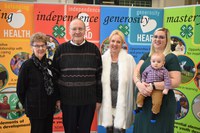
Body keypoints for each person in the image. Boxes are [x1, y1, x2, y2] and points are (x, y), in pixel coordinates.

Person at [52, 18, 102, 133]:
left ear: (85, 31)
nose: (77, 31)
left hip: (88, 102)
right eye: (74, 29)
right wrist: (57, 98)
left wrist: (98, 99)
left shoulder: (94, 50)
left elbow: (99, 76)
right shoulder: (61, 50)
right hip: (68, 101)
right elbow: (55, 76)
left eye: (80, 28)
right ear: (69, 31)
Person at [133, 28, 181, 133]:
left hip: (162, 104)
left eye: (161, 37)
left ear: (167, 40)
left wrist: (153, 86)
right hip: (143, 104)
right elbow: (136, 72)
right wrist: (139, 84)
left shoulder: (171, 58)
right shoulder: (146, 56)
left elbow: (176, 81)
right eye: (155, 36)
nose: (157, 39)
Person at [17, 32, 58, 133]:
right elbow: (20, 90)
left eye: (43, 45)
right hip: (35, 109)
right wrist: (28, 105)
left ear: (46, 46)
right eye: (37, 46)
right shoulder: (27, 66)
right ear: (32, 47)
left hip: (49, 108)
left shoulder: (50, 64)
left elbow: (55, 85)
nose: (40, 48)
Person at [98, 30, 136, 133]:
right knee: (109, 131)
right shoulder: (102, 59)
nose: (115, 44)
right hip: (107, 105)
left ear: (122, 43)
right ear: (109, 42)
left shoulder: (129, 60)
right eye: (113, 41)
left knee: (120, 131)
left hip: (122, 105)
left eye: (118, 42)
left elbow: (135, 81)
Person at [133, 52, 171, 123]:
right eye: (153, 61)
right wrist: (143, 82)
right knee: (140, 95)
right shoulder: (148, 68)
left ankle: (154, 113)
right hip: (147, 86)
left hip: (157, 89)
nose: (156, 63)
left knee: (157, 101)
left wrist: (166, 88)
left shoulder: (164, 71)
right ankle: (139, 107)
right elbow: (143, 74)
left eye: (158, 62)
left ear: (163, 63)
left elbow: (167, 80)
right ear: (150, 61)